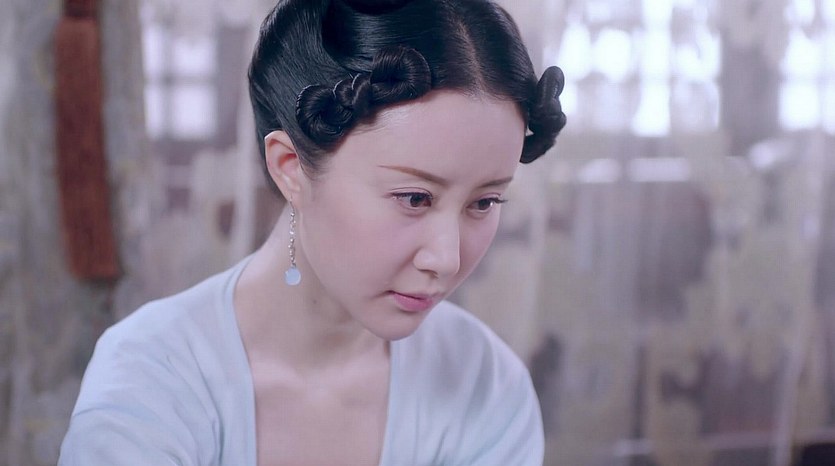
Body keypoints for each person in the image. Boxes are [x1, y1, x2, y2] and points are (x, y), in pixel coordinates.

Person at [58, 0, 566, 464]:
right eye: (415, 198)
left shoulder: (484, 384)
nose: (447, 258)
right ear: (290, 169)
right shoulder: (152, 380)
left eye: (484, 202)